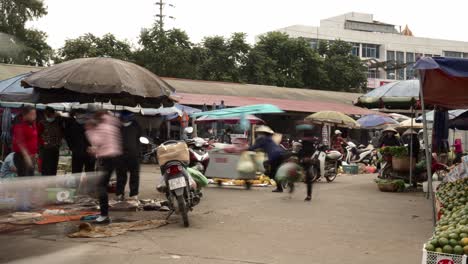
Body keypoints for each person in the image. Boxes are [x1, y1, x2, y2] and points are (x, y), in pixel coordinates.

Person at [86, 110, 122, 224]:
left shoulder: (102, 127)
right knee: (102, 185)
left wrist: (89, 130)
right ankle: (103, 213)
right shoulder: (112, 125)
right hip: (114, 157)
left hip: (107, 159)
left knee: (101, 186)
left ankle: (104, 215)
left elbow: (97, 141)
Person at [249, 126, 286, 192]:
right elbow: (267, 147)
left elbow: (253, 147)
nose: (257, 134)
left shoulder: (261, 139)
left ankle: (280, 186)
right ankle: (282, 183)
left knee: (270, 172)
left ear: (262, 133)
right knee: (276, 170)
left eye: (258, 133)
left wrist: (244, 149)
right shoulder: (270, 138)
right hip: (281, 154)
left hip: (274, 156)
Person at [116, 111, 142, 201]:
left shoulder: (136, 125)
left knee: (134, 174)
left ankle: (134, 194)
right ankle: (119, 193)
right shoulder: (117, 126)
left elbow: (140, 136)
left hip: (134, 155)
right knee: (121, 175)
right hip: (120, 155)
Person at [64, 110, 96, 174]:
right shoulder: (91, 124)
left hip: (78, 152)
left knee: (76, 172)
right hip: (89, 152)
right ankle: (88, 184)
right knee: (89, 172)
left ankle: (77, 183)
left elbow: (67, 137)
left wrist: (72, 147)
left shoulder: (73, 125)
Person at [12, 106, 38, 177]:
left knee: (30, 179)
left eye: (35, 114)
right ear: (25, 115)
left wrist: (34, 154)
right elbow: (20, 143)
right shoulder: (19, 125)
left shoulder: (33, 124)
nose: (34, 116)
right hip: (22, 157)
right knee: (24, 180)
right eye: (32, 114)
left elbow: (33, 140)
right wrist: (26, 157)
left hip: (31, 157)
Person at [38, 107, 64, 176]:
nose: (49, 116)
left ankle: (52, 184)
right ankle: (45, 184)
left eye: (50, 114)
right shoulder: (42, 123)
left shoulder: (58, 122)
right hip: (45, 150)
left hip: (55, 149)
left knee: (53, 169)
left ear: (53, 114)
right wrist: (42, 144)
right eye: (47, 114)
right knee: (45, 170)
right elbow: (38, 136)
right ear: (45, 115)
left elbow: (61, 133)